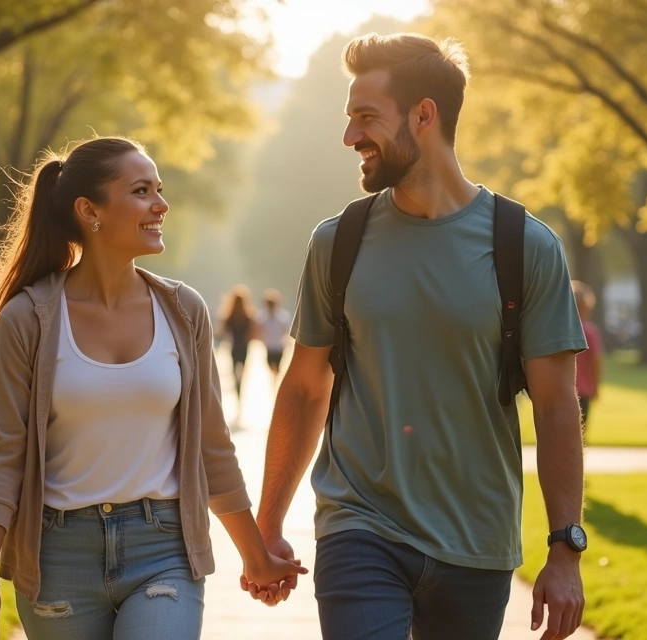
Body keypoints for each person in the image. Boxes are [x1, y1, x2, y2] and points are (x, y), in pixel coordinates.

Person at [252, 33, 589, 639]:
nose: (349, 136)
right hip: (359, 526)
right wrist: (268, 523)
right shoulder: (338, 242)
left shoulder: (524, 247)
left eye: (366, 117)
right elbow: (304, 388)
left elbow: (557, 404)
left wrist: (565, 548)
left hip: (476, 540)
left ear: (423, 115)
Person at [0, 137, 304, 640]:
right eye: (142, 191)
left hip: (162, 549)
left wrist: (256, 556)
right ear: (89, 211)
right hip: (59, 558)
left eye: (159, 190)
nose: (161, 204)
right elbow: (2, 457)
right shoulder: (28, 319)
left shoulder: (184, 311)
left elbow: (212, 448)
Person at [217, 285, 258, 400]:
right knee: (243, 370)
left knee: (234, 369)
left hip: (234, 346)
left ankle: (237, 392)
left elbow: (223, 332)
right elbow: (253, 333)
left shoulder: (230, 316)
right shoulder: (248, 316)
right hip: (244, 346)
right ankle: (240, 390)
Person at [572, 281, 602, 433]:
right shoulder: (589, 331)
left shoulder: (562, 331)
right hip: (583, 390)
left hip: (563, 388)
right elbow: (596, 360)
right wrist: (595, 386)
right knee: (580, 431)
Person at [258, 289, 292, 379]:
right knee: (270, 366)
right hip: (268, 346)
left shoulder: (282, 316)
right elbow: (259, 330)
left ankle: (276, 380)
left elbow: (286, 331)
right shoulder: (262, 316)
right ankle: (275, 379)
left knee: (277, 366)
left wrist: (288, 343)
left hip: (279, 346)